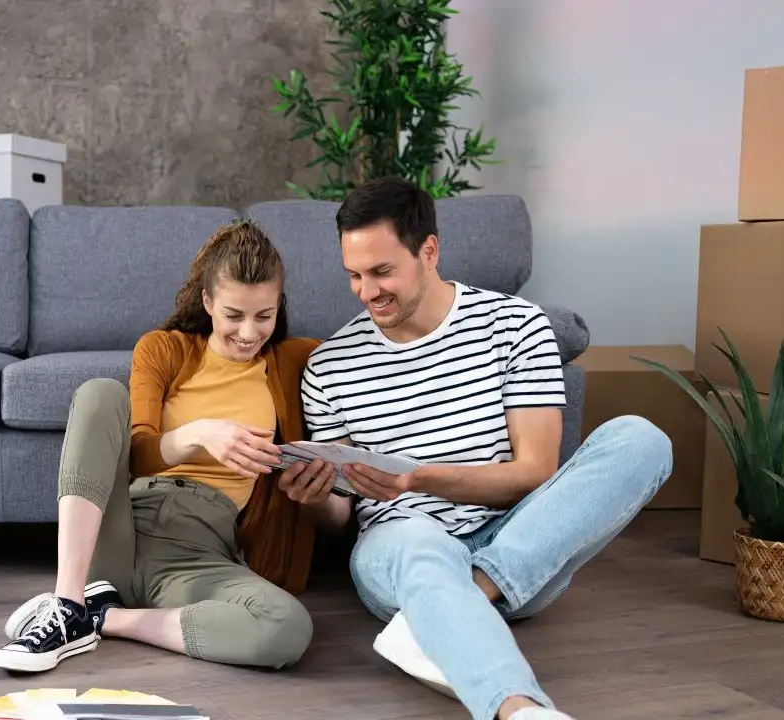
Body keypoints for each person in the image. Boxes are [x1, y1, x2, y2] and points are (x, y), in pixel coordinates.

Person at [276, 177, 673, 720]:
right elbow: (341, 516)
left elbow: (534, 474)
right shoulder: (329, 366)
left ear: (430, 250)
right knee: (416, 538)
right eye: (354, 276)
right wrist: (316, 497)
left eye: (382, 271)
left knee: (640, 439)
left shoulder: (517, 327)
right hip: (400, 549)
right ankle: (519, 709)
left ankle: (455, 605)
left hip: (518, 548)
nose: (367, 292)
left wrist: (417, 479)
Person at [0, 219, 323, 674]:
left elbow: (369, 347)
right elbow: (138, 453)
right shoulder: (165, 350)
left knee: (287, 627)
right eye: (234, 315)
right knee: (100, 393)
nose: (249, 332)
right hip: (120, 531)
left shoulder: (293, 360)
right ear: (207, 302)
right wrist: (197, 433)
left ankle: (104, 616)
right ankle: (69, 601)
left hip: (196, 556)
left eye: (263, 316)